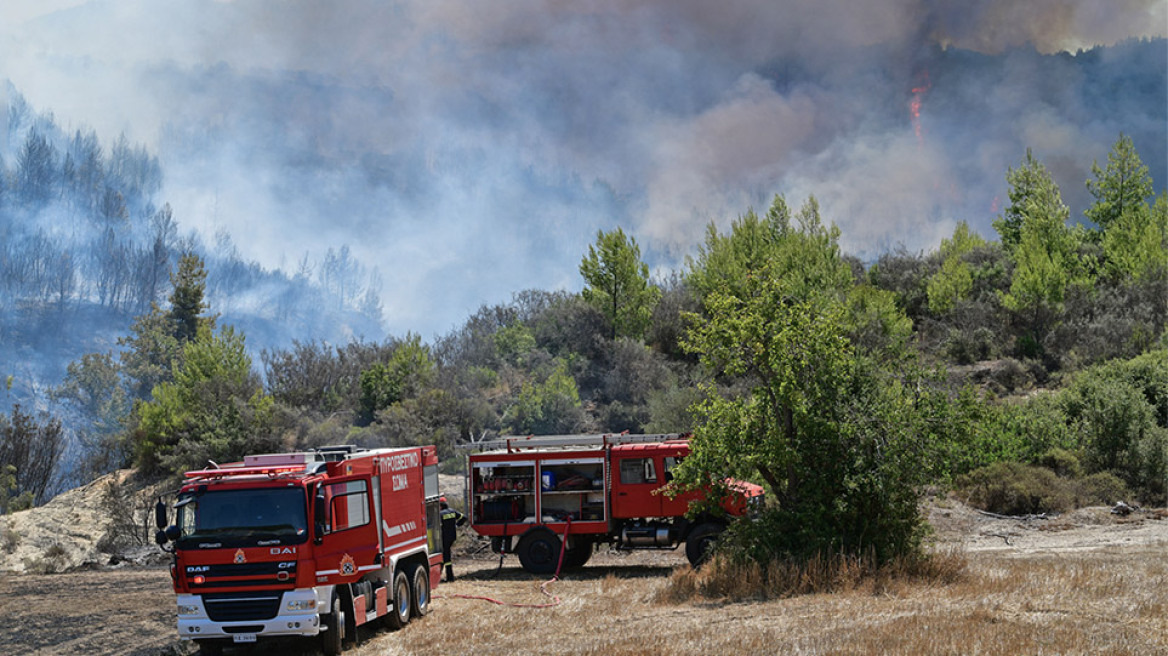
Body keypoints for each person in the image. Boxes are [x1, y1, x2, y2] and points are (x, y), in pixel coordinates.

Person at [440, 498, 466, 582]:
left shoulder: (440, 514)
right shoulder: (452, 511)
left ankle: (450, 578)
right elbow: (464, 517)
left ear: (440, 506)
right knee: (446, 555)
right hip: (452, 537)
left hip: (444, 537)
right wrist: (457, 525)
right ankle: (447, 576)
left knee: (446, 557)